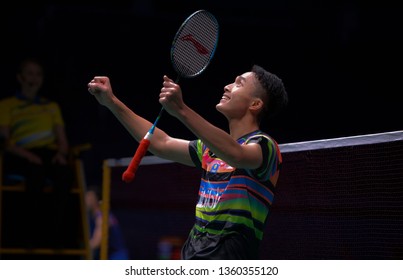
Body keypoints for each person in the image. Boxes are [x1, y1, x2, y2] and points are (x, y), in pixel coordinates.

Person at [87, 64, 288, 259]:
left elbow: (235, 154)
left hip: (230, 256)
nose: (227, 86)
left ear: (255, 104)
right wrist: (111, 101)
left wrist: (182, 110)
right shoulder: (209, 149)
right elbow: (161, 142)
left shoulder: (265, 147)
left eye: (239, 83)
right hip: (194, 251)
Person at [0, 57, 74, 248]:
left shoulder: (51, 106)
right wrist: (28, 156)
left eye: (38, 74)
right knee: (35, 175)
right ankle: (30, 239)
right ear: (20, 77)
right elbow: (5, 141)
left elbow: (62, 140)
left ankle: (58, 239)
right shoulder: (7, 105)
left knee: (64, 175)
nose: (34, 78)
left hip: (48, 154)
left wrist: (61, 153)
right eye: (29, 73)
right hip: (21, 155)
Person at [85, 185, 129, 260]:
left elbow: (96, 242)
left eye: (89, 198)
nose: (85, 200)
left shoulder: (102, 217)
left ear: (96, 200)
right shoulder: (92, 217)